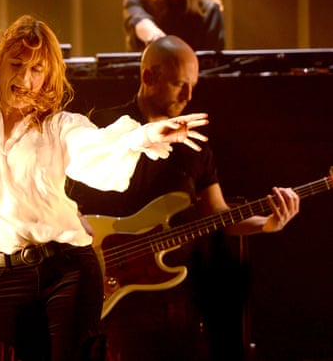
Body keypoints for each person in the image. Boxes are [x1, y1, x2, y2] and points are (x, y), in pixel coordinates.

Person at [0, 15, 209, 361]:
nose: (24, 78)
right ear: (0, 65)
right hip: (0, 275)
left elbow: (95, 148)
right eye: (17, 64)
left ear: (48, 77)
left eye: (36, 70)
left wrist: (144, 135)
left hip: (68, 269)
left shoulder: (57, 128)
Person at [67, 35, 300, 361]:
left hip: (173, 299)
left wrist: (267, 223)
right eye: (179, 84)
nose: (189, 95)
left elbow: (217, 215)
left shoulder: (195, 146)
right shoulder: (103, 125)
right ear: (149, 77)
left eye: (192, 84)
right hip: (109, 290)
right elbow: (64, 197)